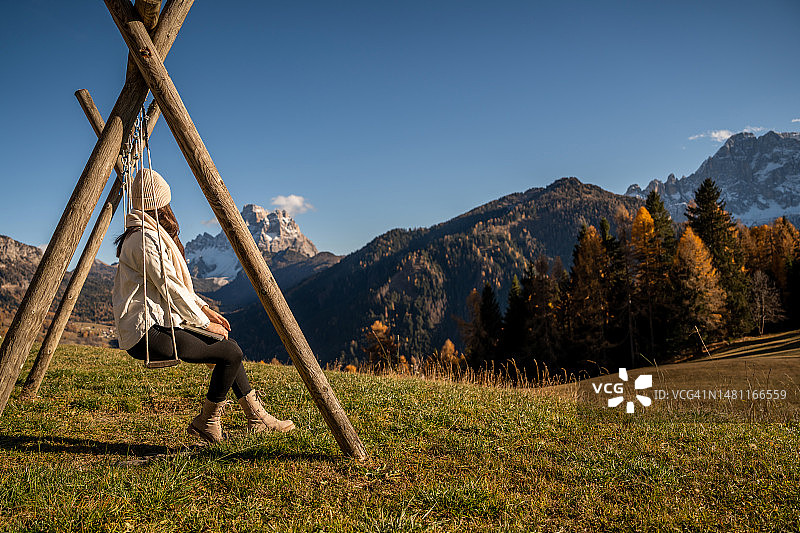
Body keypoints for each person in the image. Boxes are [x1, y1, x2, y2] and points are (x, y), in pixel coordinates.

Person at [112, 168, 295, 444]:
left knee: (227, 349)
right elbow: (171, 288)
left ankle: (256, 418)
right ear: (160, 205)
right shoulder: (144, 240)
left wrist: (206, 310)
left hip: (153, 326)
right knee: (230, 352)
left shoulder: (143, 235)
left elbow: (175, 286)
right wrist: (202, 322)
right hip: (146, 334)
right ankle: (207, 422)